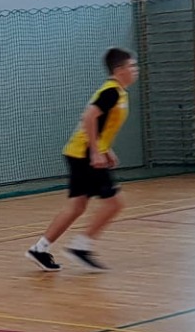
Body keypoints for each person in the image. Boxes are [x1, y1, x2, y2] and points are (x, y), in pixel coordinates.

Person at [29, 47, 139, 271]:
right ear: (119, 70)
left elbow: (101, 123)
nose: (135, 69)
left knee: (77, 206)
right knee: (115, 203)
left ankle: (39, 249)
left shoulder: (117, 92)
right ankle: (81, 247)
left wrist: (106, 149)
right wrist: (96, 152)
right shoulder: (111, 92)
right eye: (132, 66)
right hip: (84, 154)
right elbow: (89, 117)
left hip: (79, 152)